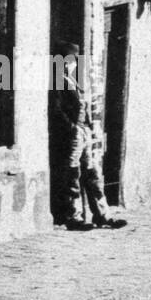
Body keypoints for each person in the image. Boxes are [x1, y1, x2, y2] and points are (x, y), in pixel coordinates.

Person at [51, 42, 126, 231]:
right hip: (72, 135)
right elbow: (56, 110)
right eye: (68, 60)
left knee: (92, 173)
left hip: (83, 132)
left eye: (74, 60)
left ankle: (103, 215)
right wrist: (72, 127)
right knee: (72, 174)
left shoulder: (72, 81)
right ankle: (73, 216)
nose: (71, 63)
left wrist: (89, 127)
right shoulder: (56, 82)